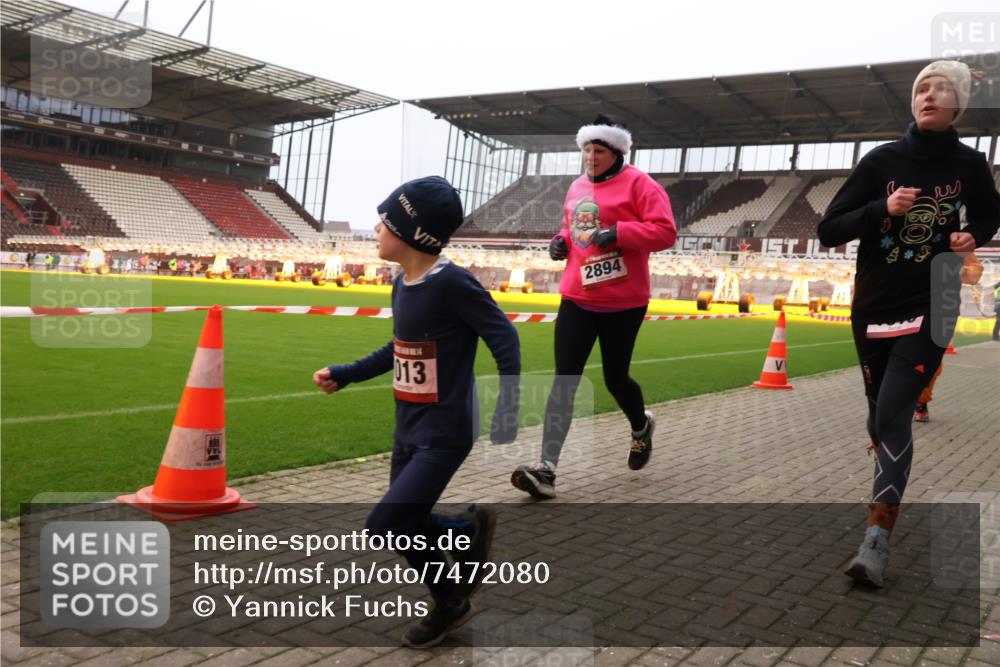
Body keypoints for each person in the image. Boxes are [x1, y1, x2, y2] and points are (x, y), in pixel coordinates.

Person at [313, 176, 521, 649]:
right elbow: (401, 347)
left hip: (445, 429)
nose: (376, 228)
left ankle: (450, 604)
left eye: (386, 221)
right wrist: (347, 373)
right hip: (407, 425)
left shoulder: (454, 284)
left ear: (413, 233)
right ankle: (464, 530)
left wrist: (508, 401)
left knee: (386, 523)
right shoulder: (402, 283)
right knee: (407, 520)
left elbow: (504, 337)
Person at [818, 60, 1000, 588]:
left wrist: (971, 236)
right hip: (875, 303)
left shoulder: (970, 164)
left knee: (896, 410)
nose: (929, 95)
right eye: (922, 87)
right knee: (880, 417)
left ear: (957, 105)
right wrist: (882, 207)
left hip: (937, 297)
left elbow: (991, 213)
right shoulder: (882, 161)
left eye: (942, 89)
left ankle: (876, 540)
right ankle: (883, 495)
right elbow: (830, 229)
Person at [510, 115, 677, 499]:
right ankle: (547, 469)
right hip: (578, 298)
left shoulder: (641, 184)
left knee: (616, 379)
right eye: (586, 149)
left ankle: (640, 427)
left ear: (616, 152)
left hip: (623, 301)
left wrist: (619, 231)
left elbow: (665, 232)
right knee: (564, 382)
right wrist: (559, 242)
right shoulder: (577, 186)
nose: (590, 156)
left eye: (598, 150)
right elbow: (572, 228)